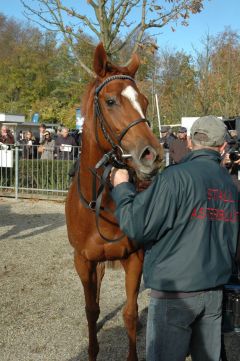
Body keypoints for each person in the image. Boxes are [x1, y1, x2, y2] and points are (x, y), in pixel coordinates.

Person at [110, 115, 239, 361]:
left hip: (174, 294)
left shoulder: (175, 177)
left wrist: (122, 187)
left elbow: (136, 225)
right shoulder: (230, 185)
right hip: (213, 292)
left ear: (190, 141)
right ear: (223, 147)